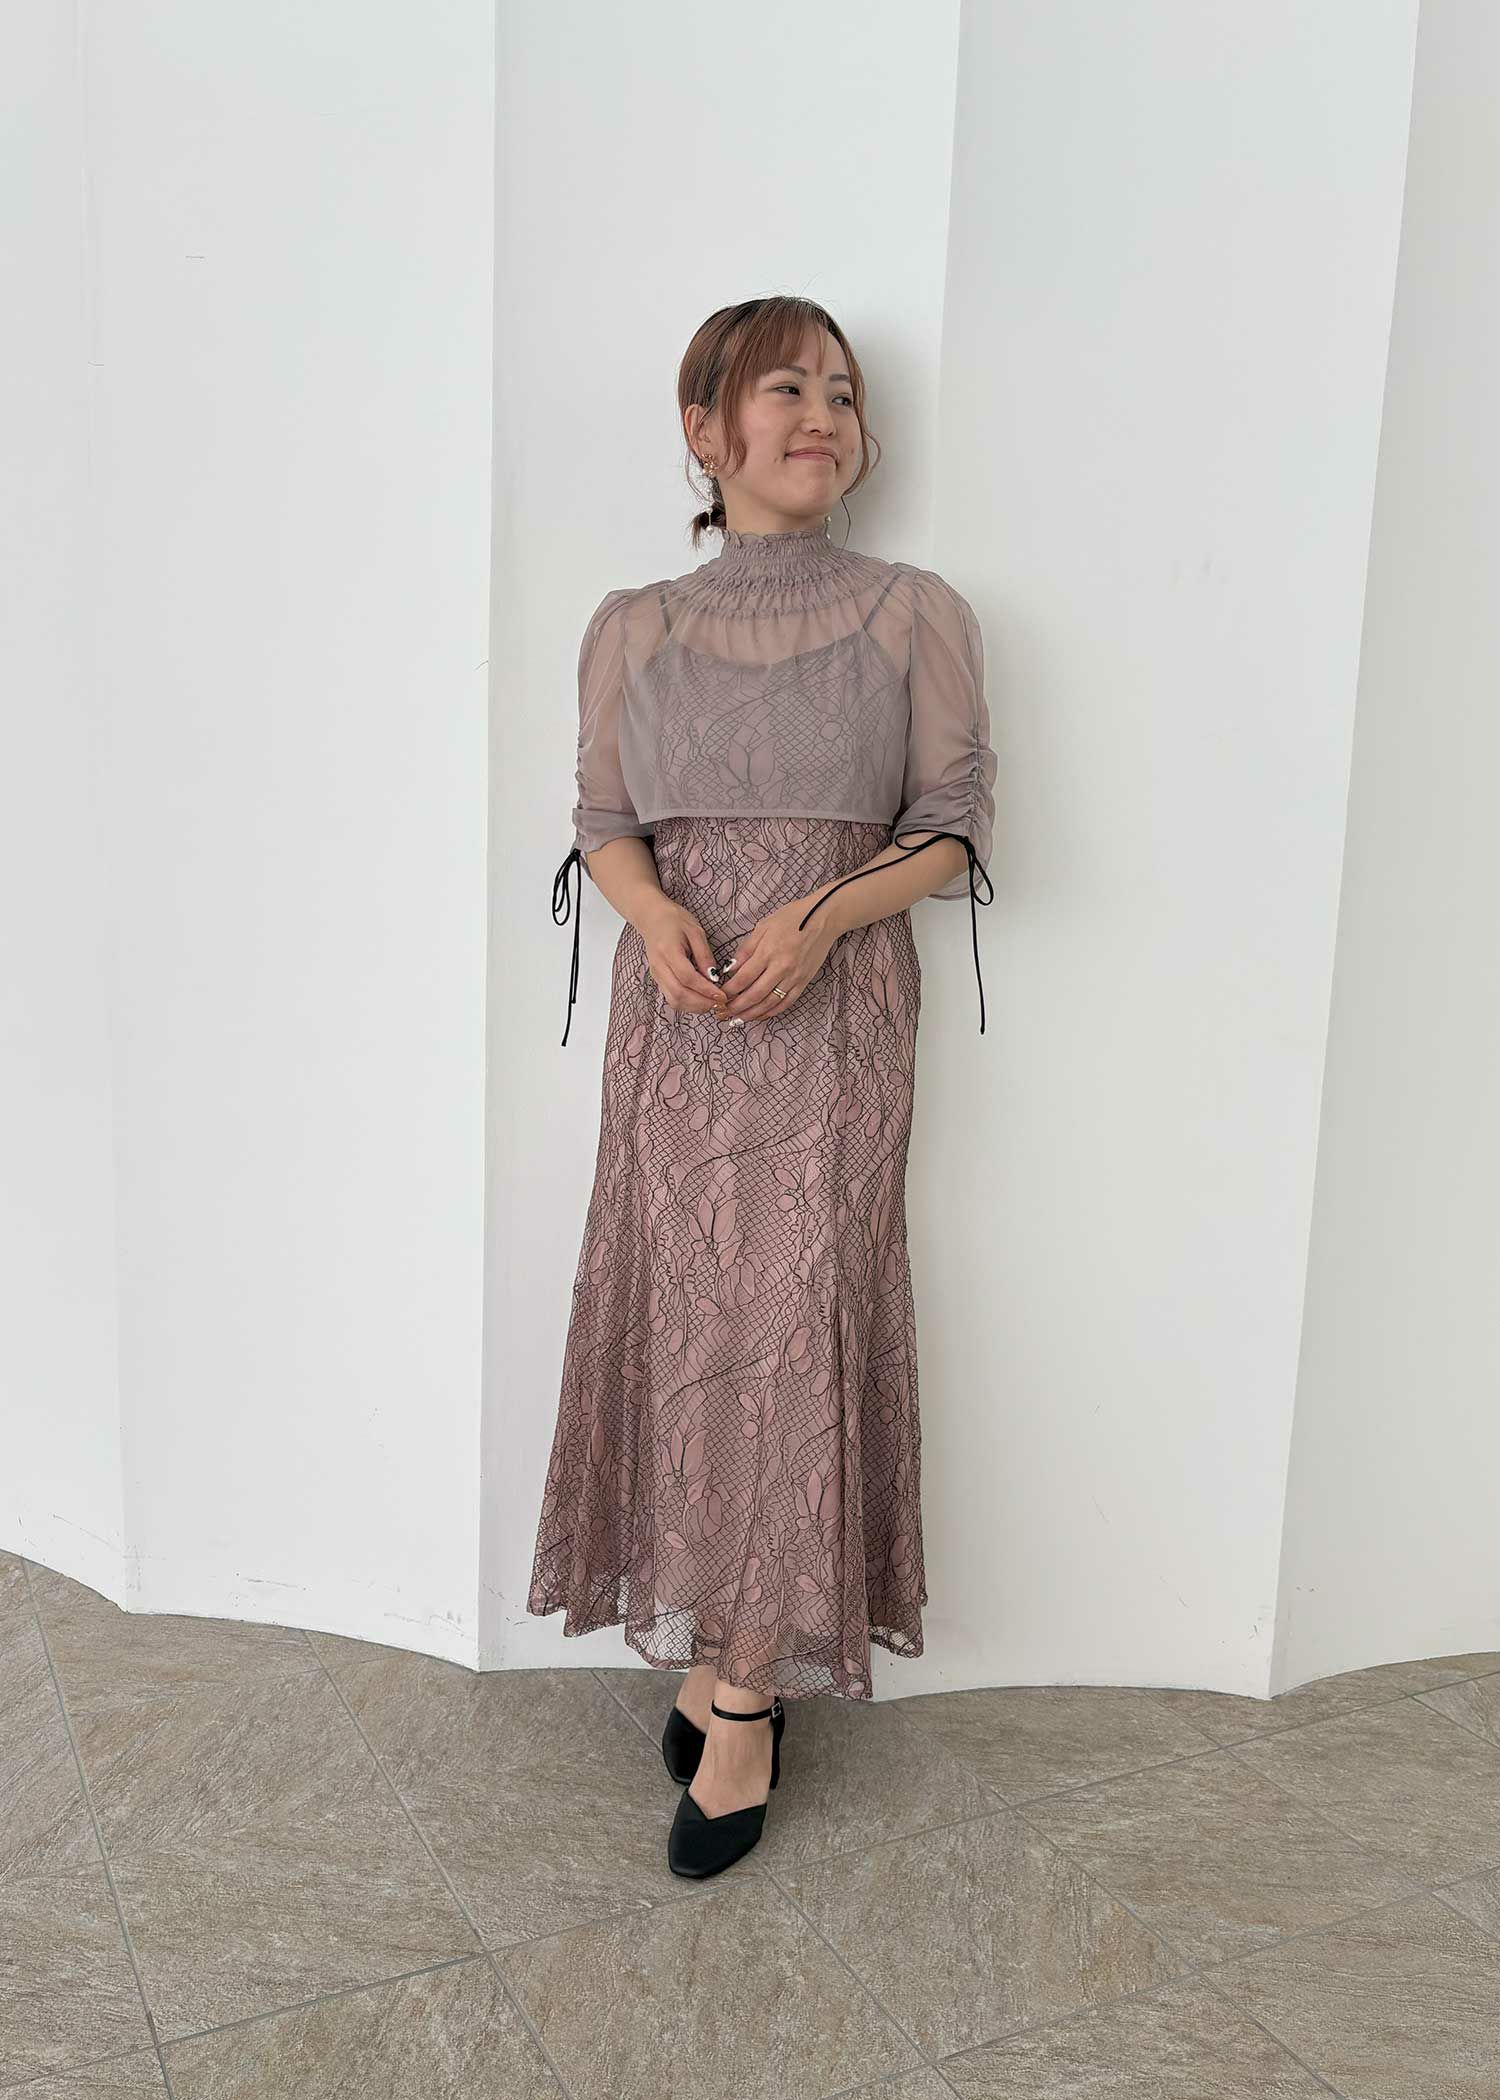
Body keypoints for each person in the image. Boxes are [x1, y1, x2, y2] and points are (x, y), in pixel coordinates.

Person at [527, 294, 998, 1879]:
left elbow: (953, 825)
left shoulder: (917, 612)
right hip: (680, 1020)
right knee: (690, 1324)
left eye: (844, 394)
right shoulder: (632, 626)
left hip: (836, 1009)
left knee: (797, 1326)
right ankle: (720, 1653)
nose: (823, 417)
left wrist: (825, 915)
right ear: (704, 429)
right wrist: (652, 914)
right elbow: (605, 819)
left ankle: (743, 1702)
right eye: (786, 387)